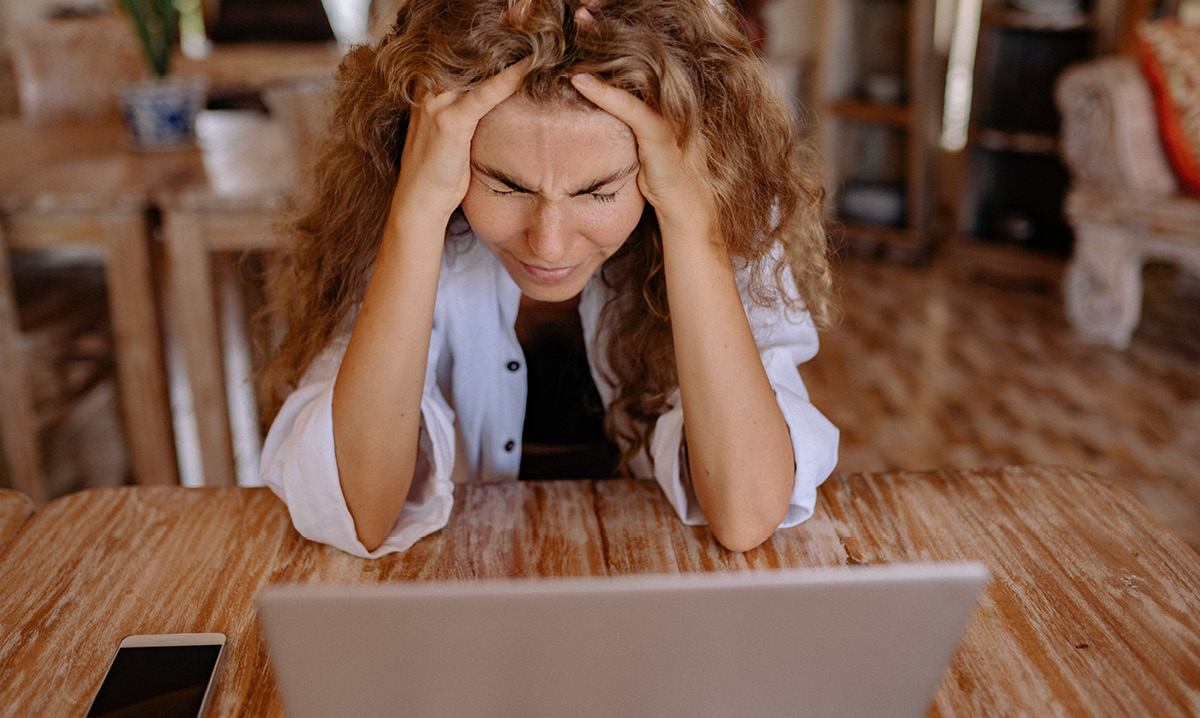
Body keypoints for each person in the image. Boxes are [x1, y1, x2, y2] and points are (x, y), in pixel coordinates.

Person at [258, 0, 838, 557]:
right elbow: (359, 513)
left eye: (599, 191)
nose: (549, 244)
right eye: (507, 186)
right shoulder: (399, 209)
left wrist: (691, 221)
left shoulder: (722, 214)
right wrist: (416, 211)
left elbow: (746, 515)